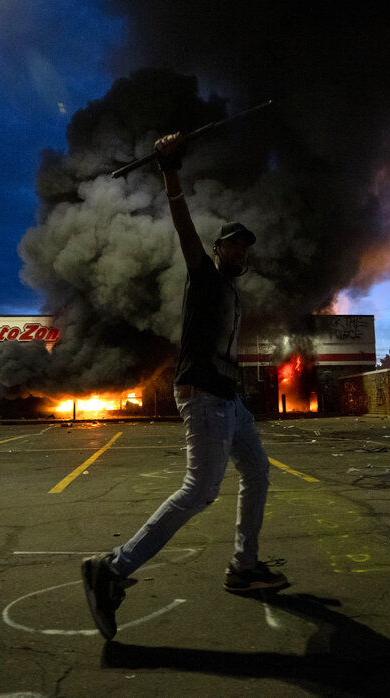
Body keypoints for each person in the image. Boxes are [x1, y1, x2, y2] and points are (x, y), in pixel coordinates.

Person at [81, 131, 288, 641]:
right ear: (219, 249)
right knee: (200, 491)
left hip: (229, 400)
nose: (239, 251)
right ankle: (113, 568)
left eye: (244, 246)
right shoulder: (205, 276)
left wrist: (241, 394)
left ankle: (244, 567)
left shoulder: (234, 296)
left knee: (258, 473)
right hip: (203, 394)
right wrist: (169, 171)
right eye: (232, 243)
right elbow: (182, 225)